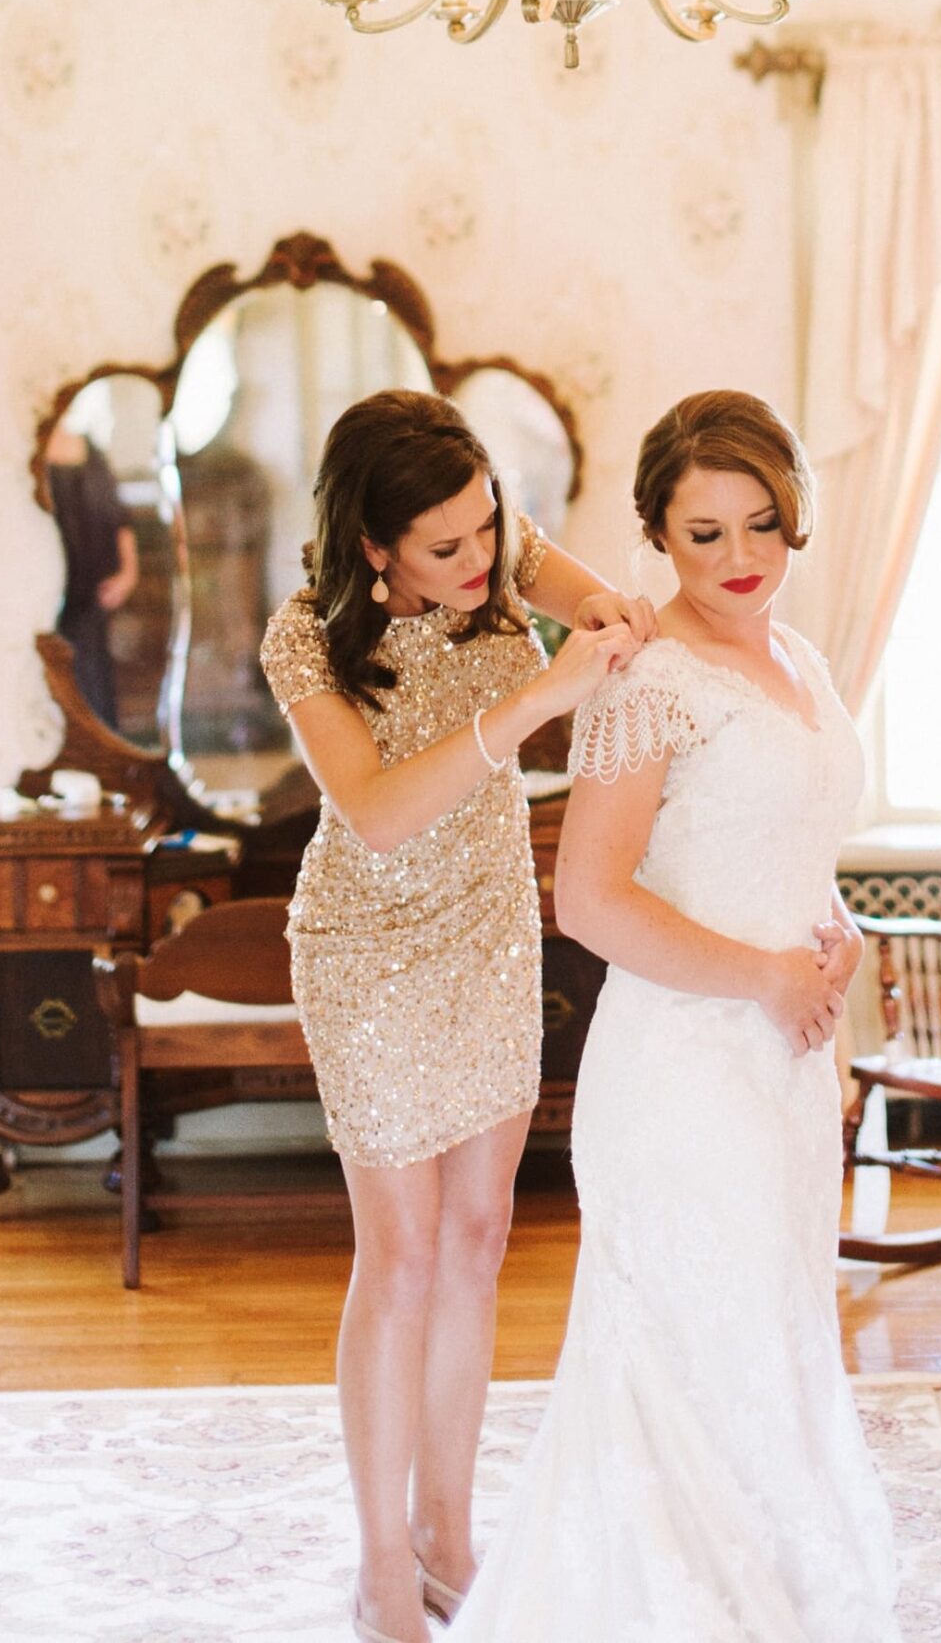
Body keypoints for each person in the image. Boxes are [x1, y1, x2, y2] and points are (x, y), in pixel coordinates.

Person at [449, 389, 902, 1643]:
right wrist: (763, 976)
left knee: (770, 1346)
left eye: (760, 523)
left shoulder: (797, 659)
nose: (739, 559)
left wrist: (831, 930)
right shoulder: (646, 679)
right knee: (697, 1361)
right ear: (654, 533)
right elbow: (587, 897)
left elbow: (783, 840)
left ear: (795, 513)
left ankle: (764, 1600)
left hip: (789, 1068)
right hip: (684, 1081)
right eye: (703, 535)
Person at [258, 388, 650, 1643]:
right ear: (372, 546)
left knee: (481, 1234)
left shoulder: (499, 545)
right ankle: (382, 1563)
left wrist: (609, 621)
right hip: (364, 950)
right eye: (445, 545)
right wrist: (537, 700)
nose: (481, 560)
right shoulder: (302, 640)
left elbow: (606, 613)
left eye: (488, 526)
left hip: (488, 930)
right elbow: (372, 808)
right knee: (406, 1252)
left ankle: (448, 1529)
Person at [45, 418, 139, 729]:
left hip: (93, 592)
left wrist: (128, 574)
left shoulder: (90, 451)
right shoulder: (30, 453)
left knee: (92, 677)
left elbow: (119, 520)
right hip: (48, 591)